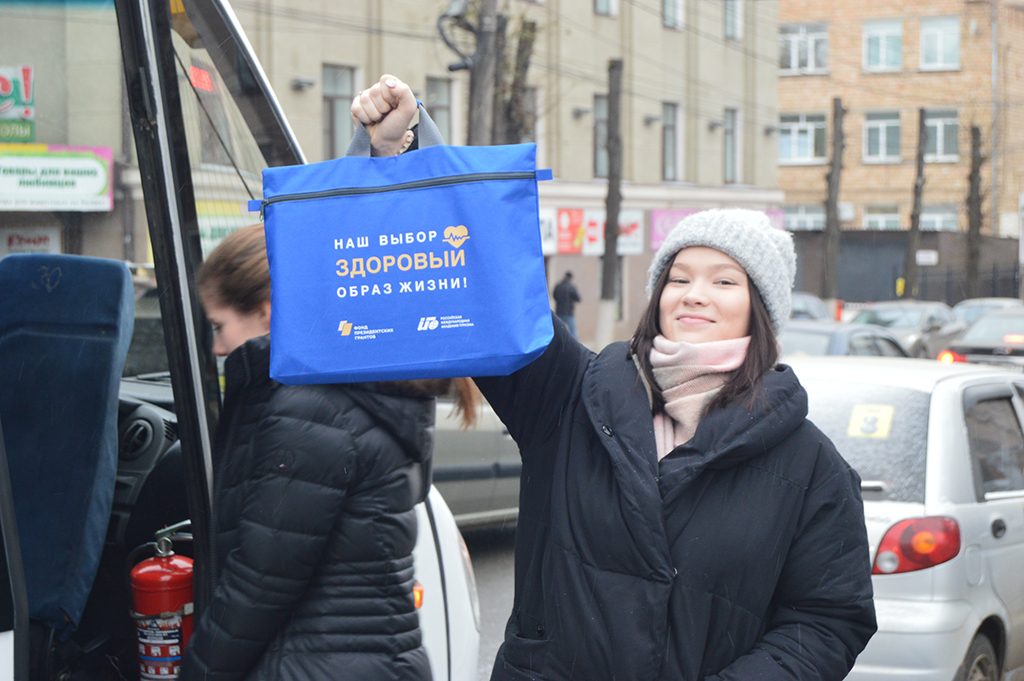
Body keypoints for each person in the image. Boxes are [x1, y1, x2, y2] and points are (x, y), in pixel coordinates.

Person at [358, 74, 876, 681]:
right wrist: (403, 151)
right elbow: (490, 288)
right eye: (679, 278)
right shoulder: (574, 396)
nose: (694, 294)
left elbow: (827, 620)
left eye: (724, 281)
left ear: (758, 311)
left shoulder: (810, 465)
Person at [179, 223, 479, 681]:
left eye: (219, 327)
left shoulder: (310, 409)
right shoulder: (353, 388)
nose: (217, 347)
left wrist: (197, 672)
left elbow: (259, 584)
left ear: (266, 313)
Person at [551, 271, 581, 338]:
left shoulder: (558, 286)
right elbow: (578, 299)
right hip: (569, 313)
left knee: (557, 332)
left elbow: (554, 296)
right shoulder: (572, 287)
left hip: (559, 312)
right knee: (573, 332)